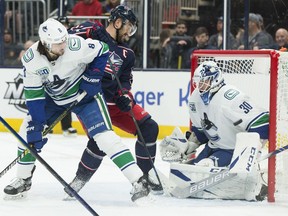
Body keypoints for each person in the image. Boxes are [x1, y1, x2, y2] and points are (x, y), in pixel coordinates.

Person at [3, 18, 150, 202]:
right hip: (53, 99)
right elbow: (35, 98)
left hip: (85, 97)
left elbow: (103, 50)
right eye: (58, 43)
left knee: (105, 138)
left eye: (64, 39)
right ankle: (23, 179)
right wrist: (36, 126)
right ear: (46, 44)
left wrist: (92, 77)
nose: (64, 44)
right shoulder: (31, 60)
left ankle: (138, 181)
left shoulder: (75, 45)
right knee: (26, 133)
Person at [66, 5, 161, 197]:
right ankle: (79, 181)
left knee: (149, 127)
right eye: (129, 26)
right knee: (100, 141)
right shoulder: (92, 31)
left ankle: (145, 176)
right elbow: (66, 40)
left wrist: (124, 95)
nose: (130, 32)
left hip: (115, 104)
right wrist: (90, 32)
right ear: (117, 22)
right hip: (92, 102)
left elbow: (125, 80)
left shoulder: (128, 54)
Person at [160, 61, 269, 201]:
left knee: (205, 166)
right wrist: (190, 145)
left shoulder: (231, 97)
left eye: (203, 82)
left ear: (215, 79)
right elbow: (200, 131)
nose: (199, 86)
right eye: (197, 82)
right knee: (191, 170)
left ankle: (256, 184)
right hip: (212, 147)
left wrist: (251, 151)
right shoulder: (195, 98)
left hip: (231, 150)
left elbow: (263, 121)